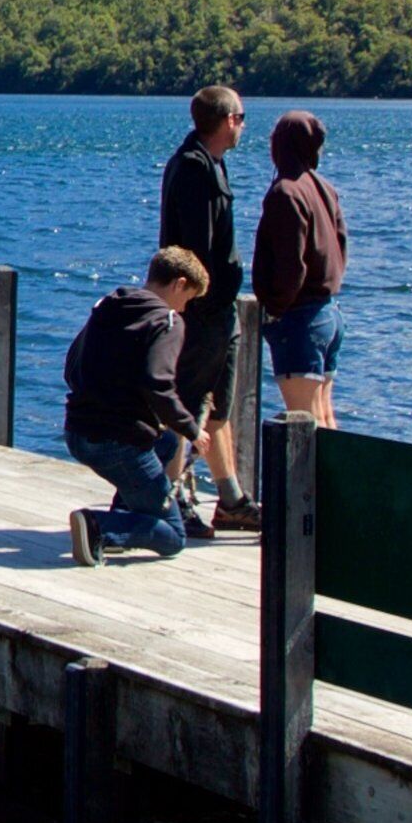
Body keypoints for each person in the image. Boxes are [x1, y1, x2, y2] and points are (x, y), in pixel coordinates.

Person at [61, 246, 212, 568]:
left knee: (166, 443)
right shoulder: (167, 321)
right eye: (188, 299)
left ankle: (123, 514)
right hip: (117, 443)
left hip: (77, 431)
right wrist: (192, 430)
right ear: (179, 284)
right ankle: (100, 526)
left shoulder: (110, 304)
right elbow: (158, 384)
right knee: (174, 536)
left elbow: (72, 364)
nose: (184, 309)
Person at [159, 84, 256, 530]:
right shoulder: (193, 169)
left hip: (220, 310)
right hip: (202, 310)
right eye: (241, 118)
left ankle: (230, 499)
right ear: (228, 120)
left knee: (217, 408)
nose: (243, 127)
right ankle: (170, 499)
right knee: (186, 404)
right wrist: (205, 298)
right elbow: (197, 248)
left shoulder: (211, 163)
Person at [252, 109, 348, 430]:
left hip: (300, 318)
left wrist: (275, 308)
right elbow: (341, 246)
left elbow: (291, 264)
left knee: (305, 422)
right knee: (324, 417)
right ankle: (335, 467)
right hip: (329, 313)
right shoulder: (325, 188)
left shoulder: (286, 192)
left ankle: (311, 471)